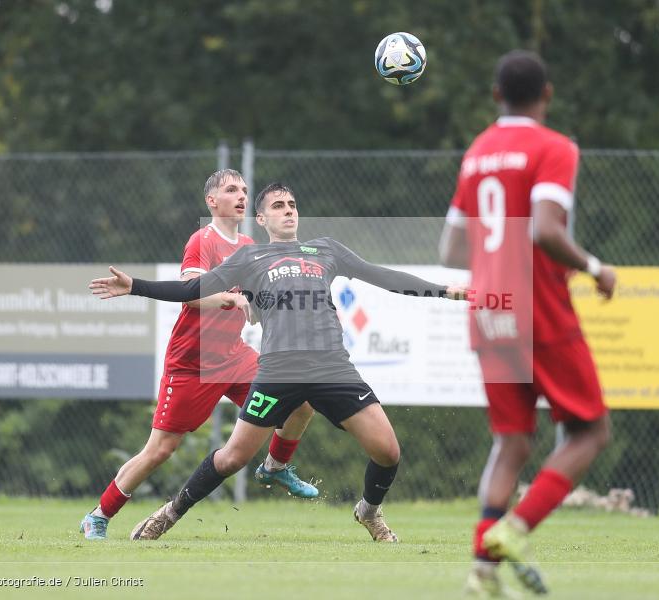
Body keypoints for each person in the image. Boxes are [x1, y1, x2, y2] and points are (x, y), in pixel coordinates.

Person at [90, 182, 468, 543]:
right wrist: (136, 286)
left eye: (292, 205)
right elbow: (193, 289)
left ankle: (368, 511)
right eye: (278, 206)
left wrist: (446, 292)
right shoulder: (251, 258)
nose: (288, 211)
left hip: (332, 369)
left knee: (388, 452)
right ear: (262, 220)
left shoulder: (325, 250)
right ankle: (169, 514)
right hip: (277, 373)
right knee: (232, 457)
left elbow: (382, 276)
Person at [439, 50, 615, 596]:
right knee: (590, 429)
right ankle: (515, 529)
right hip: (538, 307)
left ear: (496, 96)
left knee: (510, 442)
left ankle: (482, 570)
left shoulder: (476, 154)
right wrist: (594, 267)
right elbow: (544, 229)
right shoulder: (553, 146)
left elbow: (449, 249)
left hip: (488, 308)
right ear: (548, 94)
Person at [79, 170, 318, 541]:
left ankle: (276, 465)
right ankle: (99, 514)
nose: (240, 196)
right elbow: (191, 294)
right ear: (212, 202)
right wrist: (225, 297)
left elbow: (254, 305)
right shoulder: (202, 240)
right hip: (192, 363)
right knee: (161, 449)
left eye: (243, 190)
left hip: (235, 356)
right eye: (230, 190)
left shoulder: (249, 247)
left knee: (300, 400)